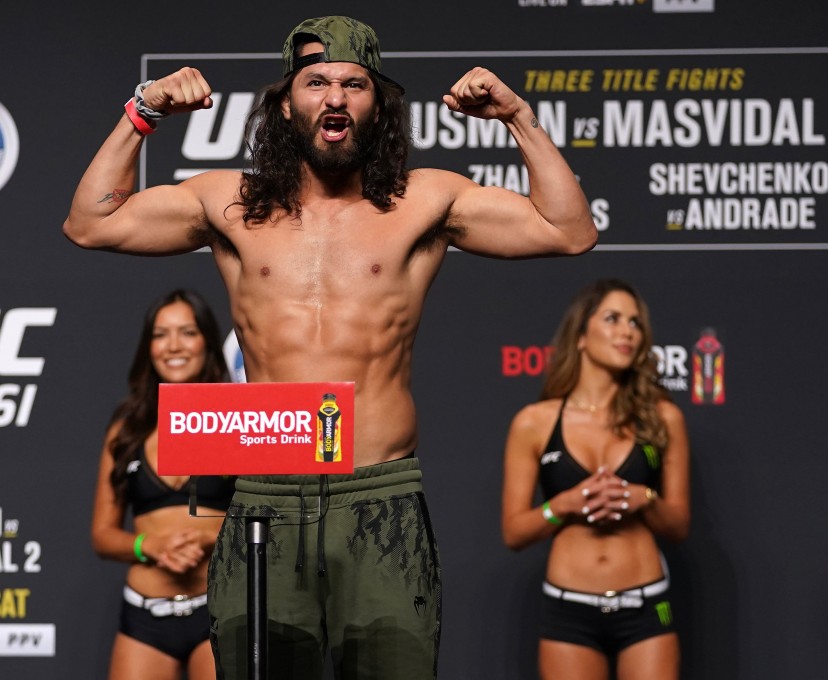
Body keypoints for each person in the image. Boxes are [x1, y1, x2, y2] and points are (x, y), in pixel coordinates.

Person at [65, 15, 597, 680]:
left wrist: (517, 116)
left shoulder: (425, 200)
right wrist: (144, 111)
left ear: (378, 104)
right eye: (316, 82)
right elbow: (90, 222)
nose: (336, 98)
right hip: (264, 499)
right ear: (287, 104)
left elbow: (569, 230)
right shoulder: (232, 202)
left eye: (354, 83)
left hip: (379, 497)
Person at [500, 279, 690, 680]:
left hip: (647, 604)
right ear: (581, 335)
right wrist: (563, 506)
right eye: (613, 318)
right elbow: (514, 532)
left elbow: (679, 526)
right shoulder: (534, 423)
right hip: (568, 609)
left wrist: (647, 500)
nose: (627, 331)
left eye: (635, 323)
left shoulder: (662, 416)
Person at [91, 289, 236, 680]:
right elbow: (103, 535)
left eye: (187, 332)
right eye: (161, 334)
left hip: (220, 608)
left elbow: (269, 519)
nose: (173, 345)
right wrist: (148, 546)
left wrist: (207, 540)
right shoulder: (126, 430)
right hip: (145, 615)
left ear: (207, 340)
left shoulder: (238, 421)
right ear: (148, 346)